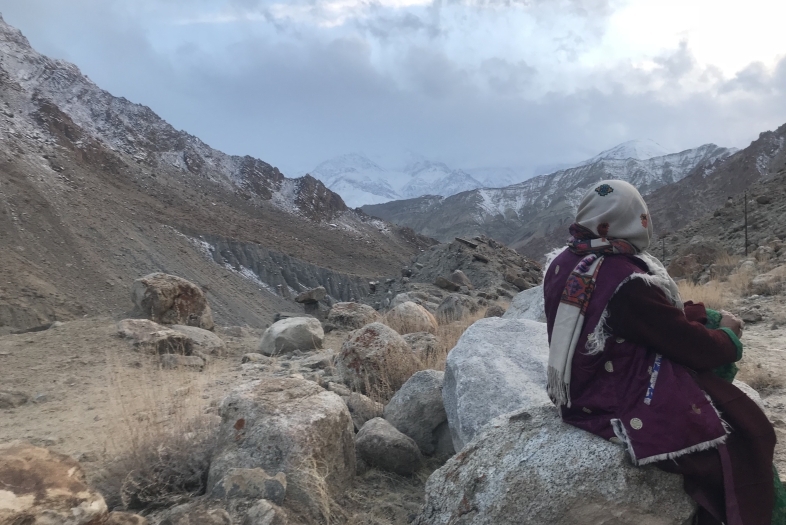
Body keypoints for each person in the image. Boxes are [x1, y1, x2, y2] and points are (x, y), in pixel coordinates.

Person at [543, 180, 785, 525]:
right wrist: (727, 336)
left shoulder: (568, 259)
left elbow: (634, 320)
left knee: (707, 320)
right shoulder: (622, 277)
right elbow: (692, 347)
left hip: (583, 382)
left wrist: (703, 316)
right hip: (612, 397)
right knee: (745, 437)